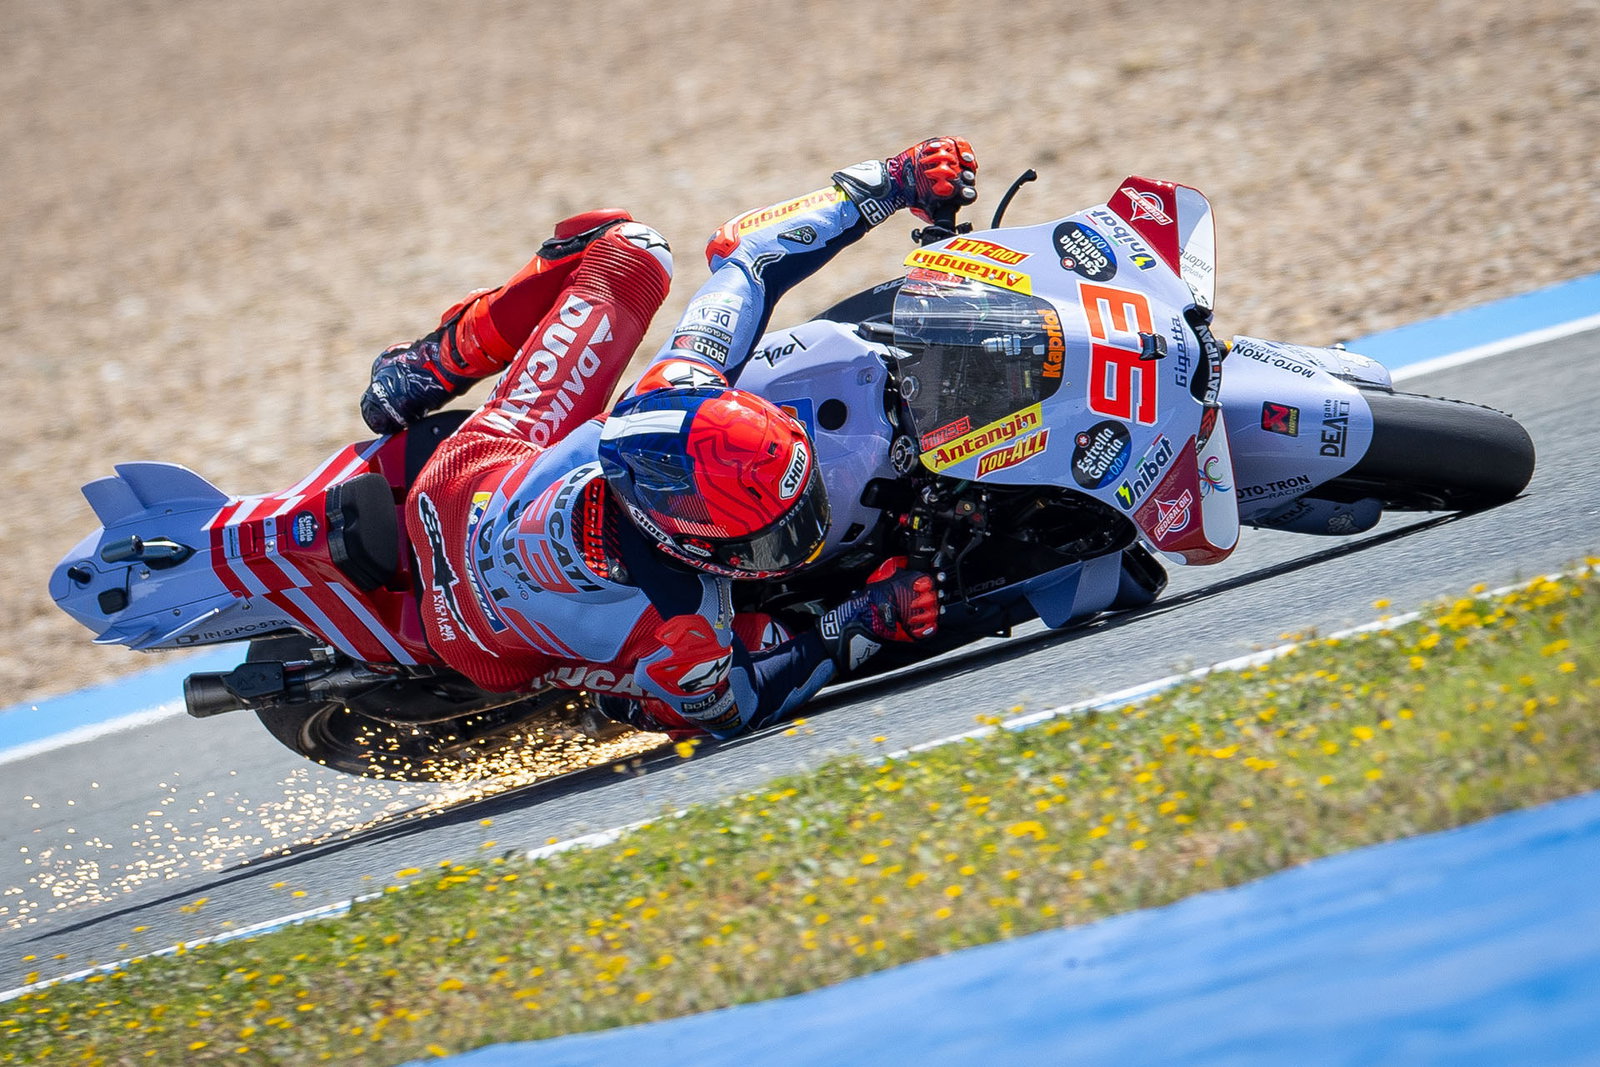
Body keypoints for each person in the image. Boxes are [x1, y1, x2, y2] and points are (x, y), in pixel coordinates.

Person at [360, 138, 978, 739]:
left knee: (631, 250)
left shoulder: (682, 379)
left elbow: (754, 261)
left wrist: (890, 181)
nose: (798, 534)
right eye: (769, 539)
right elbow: (737, 708)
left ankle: (429, 365)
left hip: (470, 473)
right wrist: (857, 621)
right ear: (687, 543)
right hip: (476, 640)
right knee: (739, 658)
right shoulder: (686, 617)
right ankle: (616, 700)